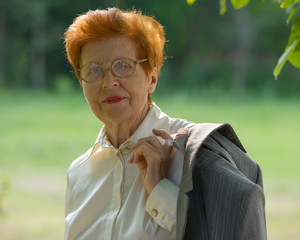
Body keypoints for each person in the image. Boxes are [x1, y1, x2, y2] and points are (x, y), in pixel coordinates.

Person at [64, 8, 267, 240]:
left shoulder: (193, 157)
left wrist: (162, 190)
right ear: (81, 82)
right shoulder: (78, 173)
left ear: (151, 78)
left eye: (123, 66)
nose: (109, 82)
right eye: (94, 70)